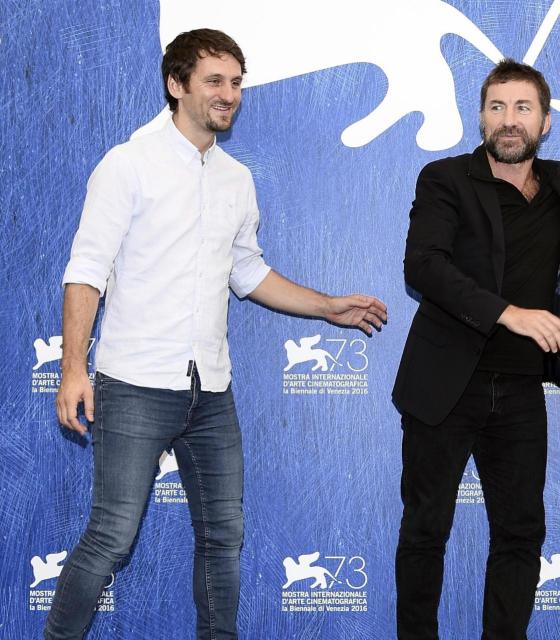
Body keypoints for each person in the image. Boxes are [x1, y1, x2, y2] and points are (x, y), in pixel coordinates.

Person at [46, 28, 386, 640]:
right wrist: (73, 369)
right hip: (134, 386)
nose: (228, 94)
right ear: (176, 86)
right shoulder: (127, 165)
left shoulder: (235, 179)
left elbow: (248, 272)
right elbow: (86, 271)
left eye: (235, 82)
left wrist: (327, 307)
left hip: (211, 390)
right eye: (213, 81)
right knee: (111, 536)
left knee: (224, 538)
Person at [391, 59, 560, 640]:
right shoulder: (444, 179)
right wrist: (508, 313)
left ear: (545, 122)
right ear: (481, 117)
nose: (508, 120)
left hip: (519, 392)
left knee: (520, 534)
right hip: (443, 385)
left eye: (522, 108)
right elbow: (424, 266)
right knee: (424, 531)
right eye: (497, 107)